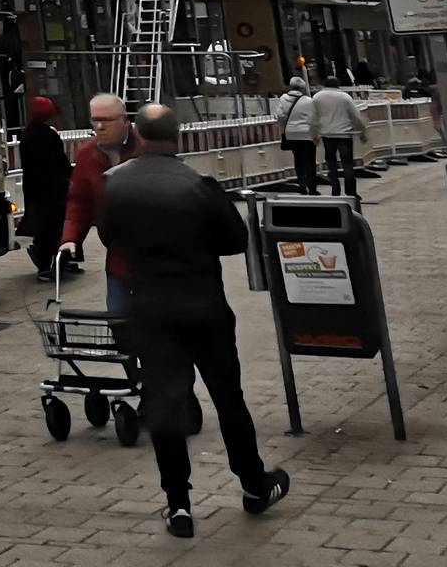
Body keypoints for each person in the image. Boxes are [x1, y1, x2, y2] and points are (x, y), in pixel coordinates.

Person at [102, 104, 292, 538]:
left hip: (150, 311)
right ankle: (253, 484)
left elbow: (110, 236)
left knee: (166, 406)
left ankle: (179, 505)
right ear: (179, 137)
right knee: (229, 398)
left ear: (136, 133)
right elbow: (234, 240)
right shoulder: (199, 185)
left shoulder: (114, 185)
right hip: (204, 307)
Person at [55, 93, 134, 310]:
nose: (99, 126)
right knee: (118, 318)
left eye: (107, 120)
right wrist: (70, 238)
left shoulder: (144, 148)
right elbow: (79, 201)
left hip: (151, 253)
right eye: (95, 120)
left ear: (125, 121)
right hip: (116, 255)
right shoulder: (87, 154)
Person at [16, 96, 70, 281]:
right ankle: (48, 262)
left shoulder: (27, 135)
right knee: (56, 225)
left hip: (34, 187)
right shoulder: (49, 135)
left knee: (43, 225)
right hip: (54, 188)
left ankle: (48, 258)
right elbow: (60, 162)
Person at [304, 79, 370, 198]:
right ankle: (351, 191)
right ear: (338, 85)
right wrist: (362, 131)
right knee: (347, 164)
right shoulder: (345, 97)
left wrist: (314, 134)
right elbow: (355, 116)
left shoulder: (317, 97)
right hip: (344, 134)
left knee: (331, 164)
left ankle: (335, 189)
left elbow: (312, 118)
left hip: (327, 134)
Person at [270, 76, 320, 195]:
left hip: (291, 133)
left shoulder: (283, 99)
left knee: (298, 160)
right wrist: (316, 134)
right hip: (307, 134)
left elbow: (279, 116)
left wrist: (284, 129)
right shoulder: (308, 100)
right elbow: (314, 118)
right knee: (310, 161)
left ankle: (302, 185)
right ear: (302, 88)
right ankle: (312, 188)